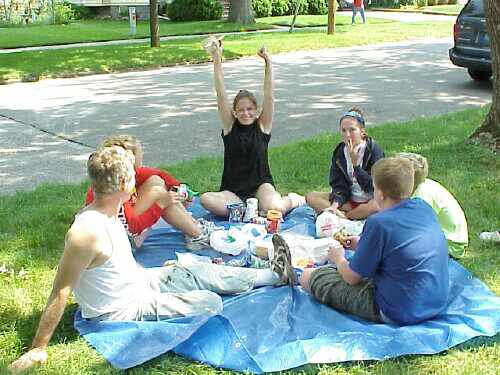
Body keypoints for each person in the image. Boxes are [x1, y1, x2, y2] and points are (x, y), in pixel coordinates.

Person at [8, 146, 295, 374]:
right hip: (126, 309)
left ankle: (273, 275)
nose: (137, 180)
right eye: (133, 176)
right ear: (123, 182)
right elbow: (61, 290)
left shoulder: (111, 211)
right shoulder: (86, 232)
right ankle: (258, 279)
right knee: (211, 302)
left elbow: (116, 264)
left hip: (140, 282)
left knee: (196, 268)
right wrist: (38, 347)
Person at [300, 157, 450, 325]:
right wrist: (361, 244)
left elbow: (351, 278)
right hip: (436, 301)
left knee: (308, 276)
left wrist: (338, 258)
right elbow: (400, 247)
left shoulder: (379, 223)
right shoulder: (424, 207)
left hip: (398, 310)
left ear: (379, 193)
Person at [199, 40, 305, 218]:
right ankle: (247, 210)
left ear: (256, 111)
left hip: (260, 185)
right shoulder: (230, 126)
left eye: (249, 109)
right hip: (233, 191)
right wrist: (217, 59)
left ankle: (292, 200)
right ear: (235, 111)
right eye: (240, 110)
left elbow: (269, 95)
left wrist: (268, 62)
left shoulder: (262, 125)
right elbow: (221, 96)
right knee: (205, 199)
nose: (245, 113)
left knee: (276, 209)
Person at [85, 135, 217, 250]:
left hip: (125, 228)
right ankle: (198, 235)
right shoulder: (114, 194)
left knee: (156, 184)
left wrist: (179, 190)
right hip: (124, 243)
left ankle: (194, 227)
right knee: (159, 193)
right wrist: (160, 204)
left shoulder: (114, 177)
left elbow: (157, 174)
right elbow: (132, 227)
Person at [306, 107, 384, 220]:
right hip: (349, 201)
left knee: (376, 206)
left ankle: (343, 217)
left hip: (369, 201)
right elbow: (339, 186)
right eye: (343, 130)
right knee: (311, 197)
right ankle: (338, 213)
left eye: (352, 130)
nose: (347, 135)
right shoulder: (340, 153)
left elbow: (372, 186)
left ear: (362, 132)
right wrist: (334, 205)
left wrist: (356, 166)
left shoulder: (373, 150)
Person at [396, 152, 469, 258]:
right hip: (441, 237)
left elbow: (414, 231)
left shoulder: (421, 198)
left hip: (450, 245)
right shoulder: (418, 186)